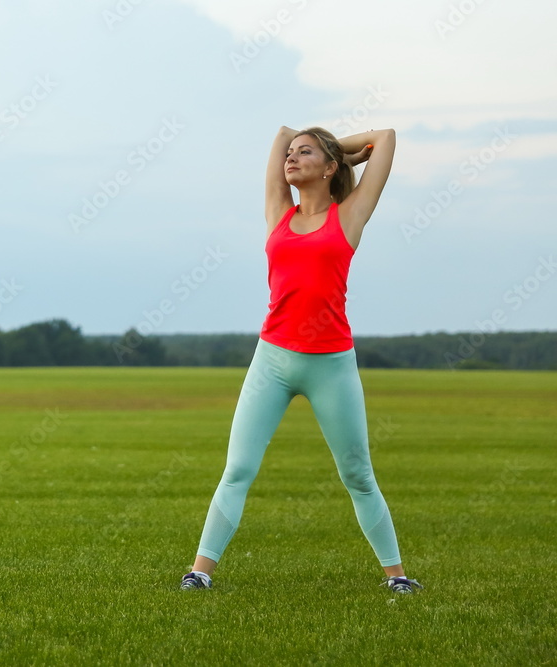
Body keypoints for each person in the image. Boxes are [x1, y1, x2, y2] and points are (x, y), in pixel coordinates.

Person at [179, 126, 423, 594]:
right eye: (291, 156)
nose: (291, 157)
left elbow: (387, 138)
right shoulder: (278, 212)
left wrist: (343, 152)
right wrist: (318, 148)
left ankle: (398, 578)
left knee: (357, 474)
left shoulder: (349, 216)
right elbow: (282, 134)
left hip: (331, 363)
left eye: (305, 154)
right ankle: (200, 572)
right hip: (271, 360)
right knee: (238, 469)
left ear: (331, 168)